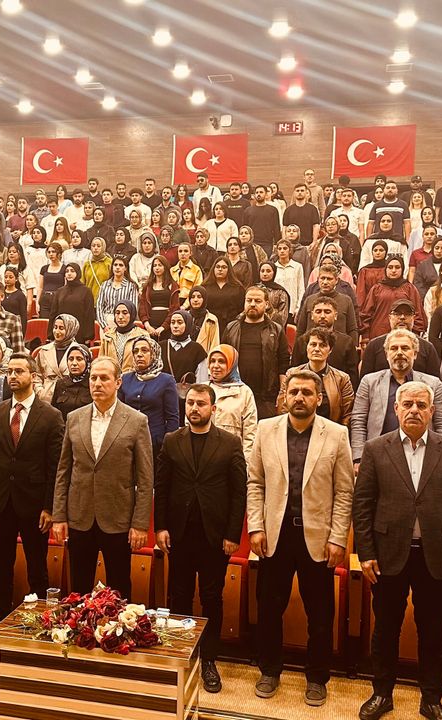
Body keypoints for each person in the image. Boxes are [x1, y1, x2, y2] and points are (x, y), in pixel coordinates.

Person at [354, 380, 442, 720]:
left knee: (433, 632)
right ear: (396, 409)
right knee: (385, 629)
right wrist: (366, 552)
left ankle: (431, 699)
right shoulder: (376, 448)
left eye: (421, 405)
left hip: (435, 556)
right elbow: (363, 504)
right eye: (407, 404)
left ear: (432, 411)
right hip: (387, 554)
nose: (414, 411)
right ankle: (381, 694)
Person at [247, 369, 354, 705]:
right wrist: (256, 526)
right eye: (294, 392)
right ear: (284, 396)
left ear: (318, 399)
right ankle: (269, 670)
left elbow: (344, 491)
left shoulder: (336, 434)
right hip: (275, 536)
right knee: (269, 608)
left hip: (318, 538)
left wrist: (338, 537)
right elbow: (255, 483)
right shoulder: (265, 429)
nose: (299, 398)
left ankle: (317, 677)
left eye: (307, 393)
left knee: (320, 615)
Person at [154, 384, 246, 693]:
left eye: (201, 403)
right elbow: (161, 487)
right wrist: (160, 527)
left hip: (214, 537)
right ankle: (181, 654)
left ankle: (209, 660)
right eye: (190, 402)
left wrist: (233, 534)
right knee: (178, 596)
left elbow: (239, 493)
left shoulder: (230, 443)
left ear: (213, 409)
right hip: (179, 534)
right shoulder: (172, 441)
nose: (194, 408)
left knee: (211, 598)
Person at [0, 353, 65, 655]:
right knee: (1, 569)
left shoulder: (51, 415)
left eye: (19, 371)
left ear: (33, 377)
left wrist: (50, 507)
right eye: (10, 371)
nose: (13, 376)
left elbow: (55, 467)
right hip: (1, 501)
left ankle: (42, 627)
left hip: (35, 505)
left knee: (37, 569)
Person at [52, 356, 154, 600]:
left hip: (118, 518)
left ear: (118, 382)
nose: (97, 383)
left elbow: (145, 478)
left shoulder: (137, 421)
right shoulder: (74, 418)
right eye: (93, 378)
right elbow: (64, 470)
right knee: (78, 590)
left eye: (104, 378)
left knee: (119, 590)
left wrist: (140, 524)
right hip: (80, 516)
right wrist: (59, 516)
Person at [351, 329, 442, 463]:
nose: (399, 352)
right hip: (378, 456)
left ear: (415, 354)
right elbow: (358, 421)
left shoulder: (434, 384)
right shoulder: (369, 382)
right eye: (394, 348)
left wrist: (440, 457)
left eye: (405, 348)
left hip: (423, 455)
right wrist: (358, 458)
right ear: (386, 354)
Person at [222, 286, 290, 418]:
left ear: (267, 304)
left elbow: (283, 362)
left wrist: (282, 393)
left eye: (258, 301)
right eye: (249, 300)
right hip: (235, 393)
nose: (252, 304)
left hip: (266, 397)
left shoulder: (276, 330)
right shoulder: (231, 328)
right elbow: (223, 358)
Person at [118, 337, 179, 452]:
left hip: (155, 442)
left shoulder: (166, 380)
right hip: (128, 441)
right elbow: (119, 412)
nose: (139, 355)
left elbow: (172, 418)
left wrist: (167, 445)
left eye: (144, 350)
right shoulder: (125, 379)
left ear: (153, 354)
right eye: (135, 351)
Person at [50, 343, 93, 418]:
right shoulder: (61, 383)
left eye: (79, 359)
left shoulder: (93, 383)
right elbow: (54, 413)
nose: (74, 363)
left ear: (87, 361)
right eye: (71, 359)